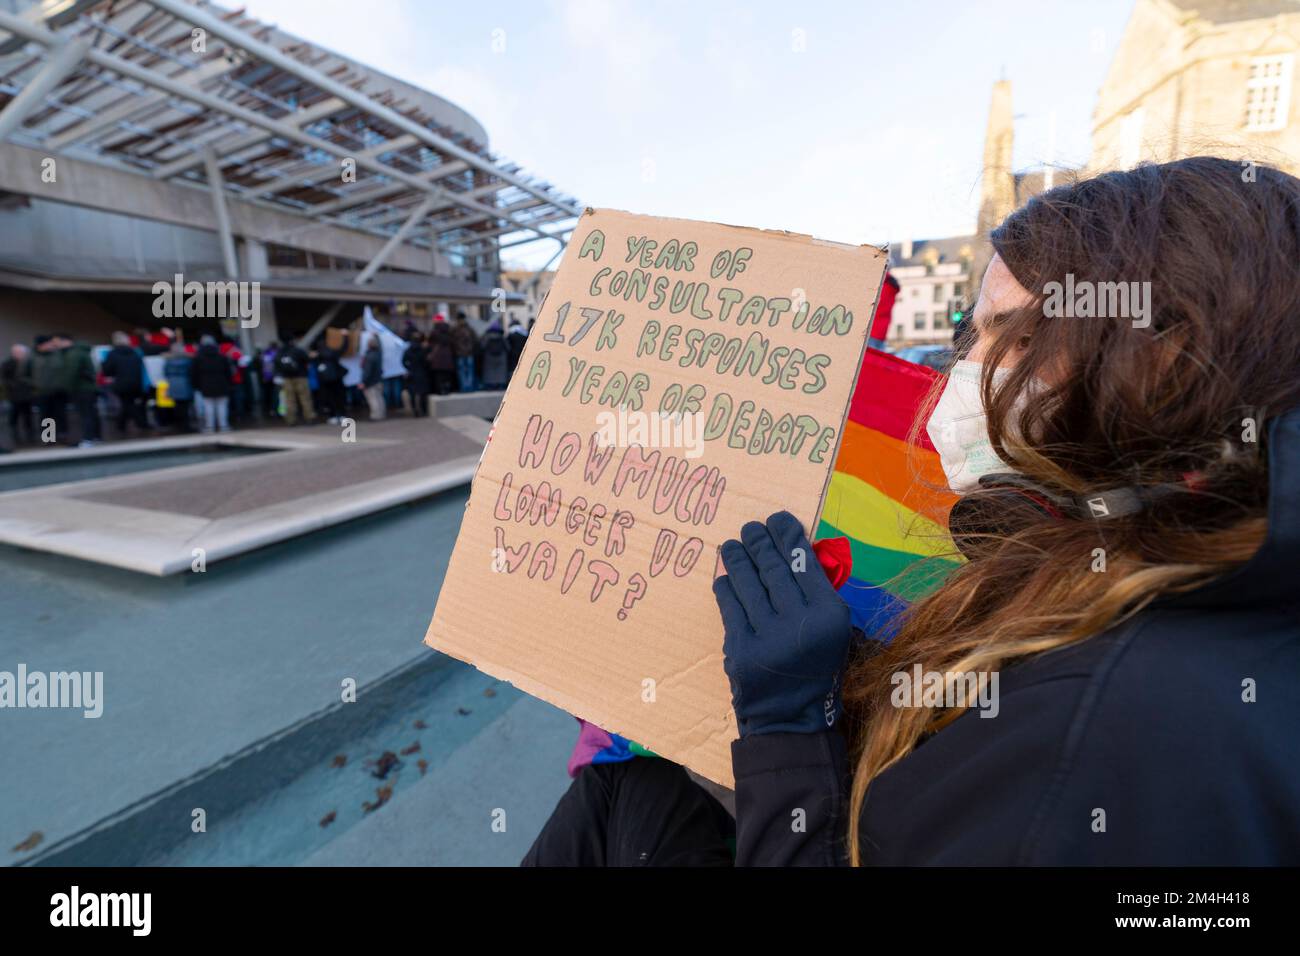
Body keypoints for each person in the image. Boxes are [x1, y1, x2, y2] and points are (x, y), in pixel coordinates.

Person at [523, 157, 1300, 867]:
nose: (962, 377)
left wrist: (792, 726)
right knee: (630, 791)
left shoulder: (1106, 732)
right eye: (970, 337)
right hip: (653, 791)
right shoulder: (1163, 601)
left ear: (1164, 360)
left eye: (1019, 336)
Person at [100, 331, 149, 437]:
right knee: (128, 403)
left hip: (121, 383)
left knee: (128, 404)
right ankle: (122, 425)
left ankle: (141, 424)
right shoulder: (135, 352)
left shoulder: (112, 353)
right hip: (136, 382)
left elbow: (107, 371)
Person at [59, 334, 101, 447]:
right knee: (91, 413)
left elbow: (71, 372)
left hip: (80, 388)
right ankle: (95, 437)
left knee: (85, 414)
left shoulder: (74, 354)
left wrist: (66, 387)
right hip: (88, 388)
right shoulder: (84, 352)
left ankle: (88, 439)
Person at [190, 335, 234, 434]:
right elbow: (228, 372)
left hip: (206, 385)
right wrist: (230, 384)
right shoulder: (221, 356)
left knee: (208, 406)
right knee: (222, 406)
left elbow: (194, 374)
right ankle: (223, 426)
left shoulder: (198, 358)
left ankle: (210, 426)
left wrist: (197, 386)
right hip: (221, 384)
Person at [275, 335, 314, 426]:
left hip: (286, 378)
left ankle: (290, 420)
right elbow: (307, 360)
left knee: (289, 399)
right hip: (300, 377)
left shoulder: (280, 352)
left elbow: (276, 364)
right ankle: (309, 418)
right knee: (305, 398)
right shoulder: (297, 350)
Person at [1, 344, 36, 446]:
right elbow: (5, 379)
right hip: (13, 396)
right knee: (13, 418)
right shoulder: (7, 364)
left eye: (21, 353)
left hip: (27, 396)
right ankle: (15, 438)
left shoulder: (29, 364)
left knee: (28, 417)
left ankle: (30, 438)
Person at [162, 343, 195, 433]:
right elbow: (191, 372)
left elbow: (165, 373)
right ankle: (186, 426)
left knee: (177, 405)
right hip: (185, 384)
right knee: (185, 406)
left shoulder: (168, 361)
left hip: (173, 384)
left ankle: (178, 425)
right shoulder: (188, 360)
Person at [314, 338, 347, 424]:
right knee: (339, 397)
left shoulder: (318, 356)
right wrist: (345, 337)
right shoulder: (333, 353)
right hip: (336, 378)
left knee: (329, 398)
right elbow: (343, 348)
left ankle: (333, 416)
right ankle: (342, 415)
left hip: (325, 381)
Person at [402, 331, 432, 417]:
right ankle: (423, 410)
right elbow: (426, 362)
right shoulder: (423, 350)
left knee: (412, 393)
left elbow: (403, 361)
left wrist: (408, 368)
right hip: (422, 373)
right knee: (422, 393)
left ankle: (415, 410)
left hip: (412, 374)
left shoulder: (408, 350)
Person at [427, 316, 456, 396]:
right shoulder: (449, 331)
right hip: (448, 357)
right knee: (447, 375)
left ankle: (440, 390)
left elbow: (429, 344)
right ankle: (447, 389)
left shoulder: (434, 332)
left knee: (439, 376)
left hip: (437, 358)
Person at [450, 312, 477, 392]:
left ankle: (466, 387)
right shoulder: (469, 328)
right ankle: (467, 387)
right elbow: (475, 340)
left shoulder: (455, 329)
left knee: (464, 371)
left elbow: (452, 341)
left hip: (462, 353)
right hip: (465, 353)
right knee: (467, 371)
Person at [361, 335, 385, 421]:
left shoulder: (370, 356)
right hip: (378, 379)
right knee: (379, 398)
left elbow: (367, 371)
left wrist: (363, 381)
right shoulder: (379, 354)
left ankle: (375, 415)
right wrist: (377, 336)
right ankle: (381, 414)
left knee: (373, 399)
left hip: (371, 381)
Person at [480, 320, 509, 389]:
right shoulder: (502, 337)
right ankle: (500, 385)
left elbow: (482, 346)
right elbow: (508, 347)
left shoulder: (487, 337)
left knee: (490, 372)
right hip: (501, 356)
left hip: (489, 357)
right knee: (500, 372)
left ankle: (491, 385)